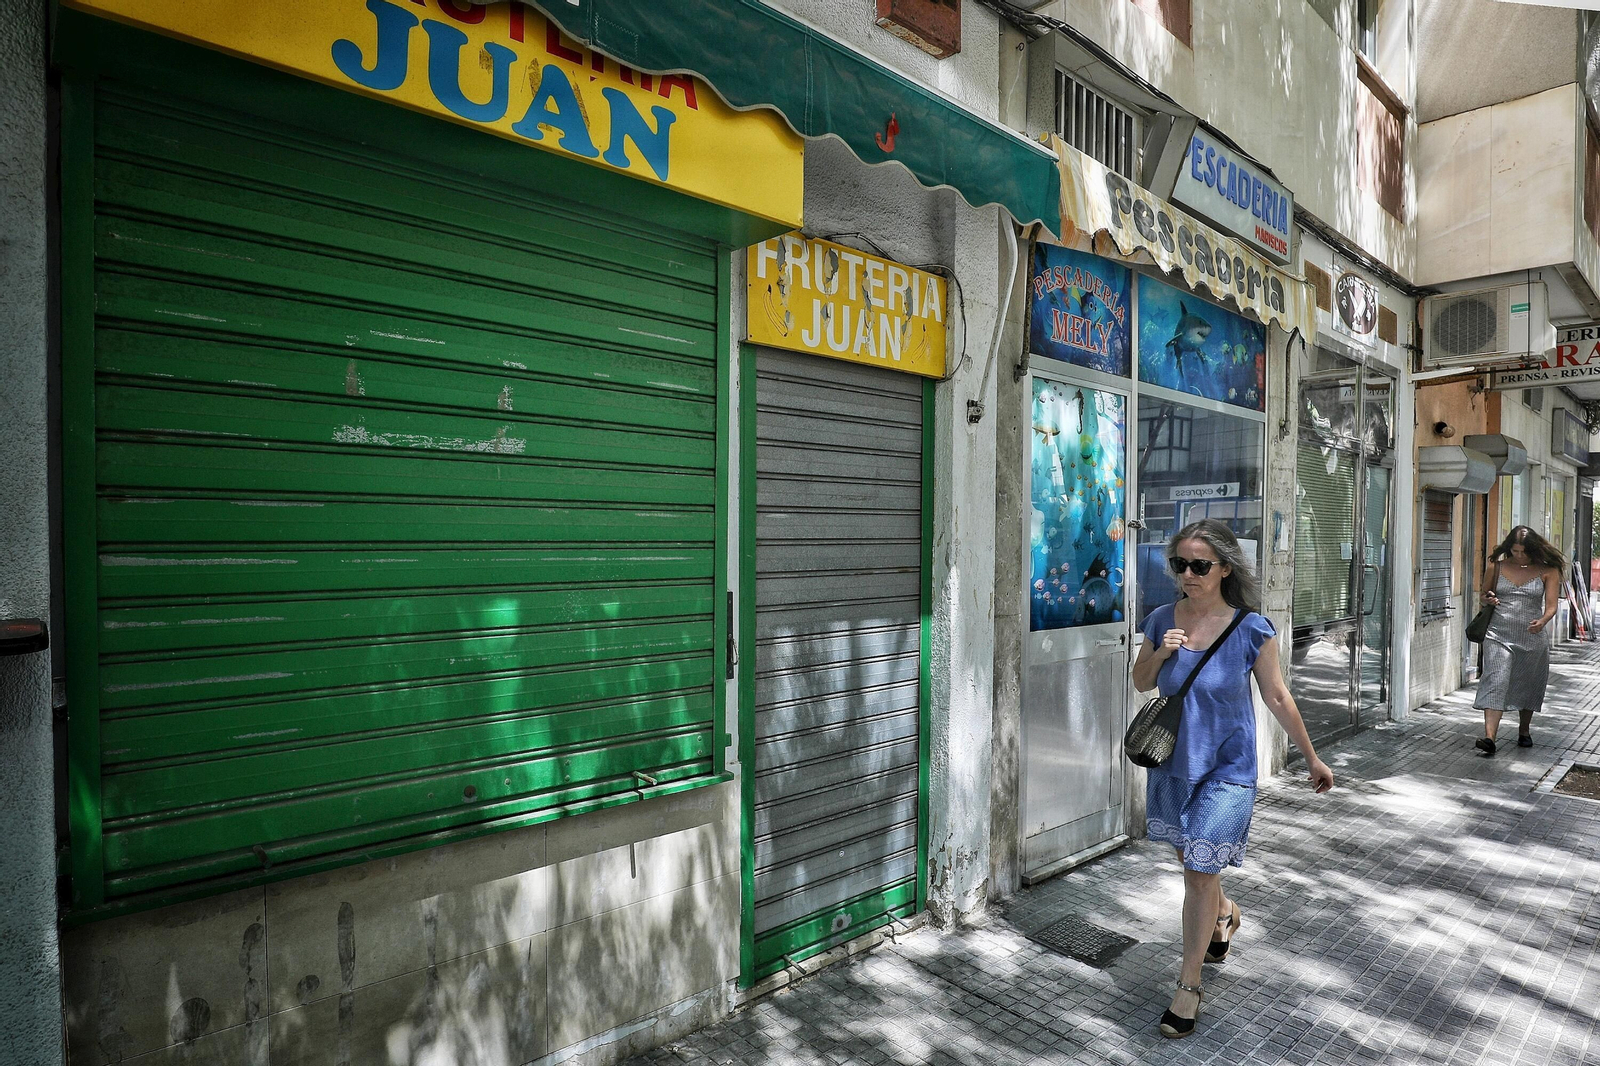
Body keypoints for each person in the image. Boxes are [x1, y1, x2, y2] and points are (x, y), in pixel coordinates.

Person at [1130, 519, 1335, 1039]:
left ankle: (1188, 986)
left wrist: (1311, 757)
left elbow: (1277, 696)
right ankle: (1224, 913)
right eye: (1180, 565)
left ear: (1224, 568)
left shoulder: (1251, 628)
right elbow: (1140, 682)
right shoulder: (1161, 619)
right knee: (1191, 859)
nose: (1189, 575)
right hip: (1174, 763)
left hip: (1228, 769)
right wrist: (1162, 652)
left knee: (1198, 871)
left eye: (1200, 565)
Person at [1473, 525, 1564, 755]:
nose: (1519, 555)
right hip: (1498, 634)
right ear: (1508, 548)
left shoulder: (1548, 570)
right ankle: (1489, 738)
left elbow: (1552, 606)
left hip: (1531, 636)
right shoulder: (1496, 566)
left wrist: (1543, 621)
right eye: (1514, 551)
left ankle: (1524, 730)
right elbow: (1484, 595)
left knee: (1527, 682)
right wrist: (1489, 599)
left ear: (1533, 549)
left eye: (1523, 551)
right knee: (1496, 679)